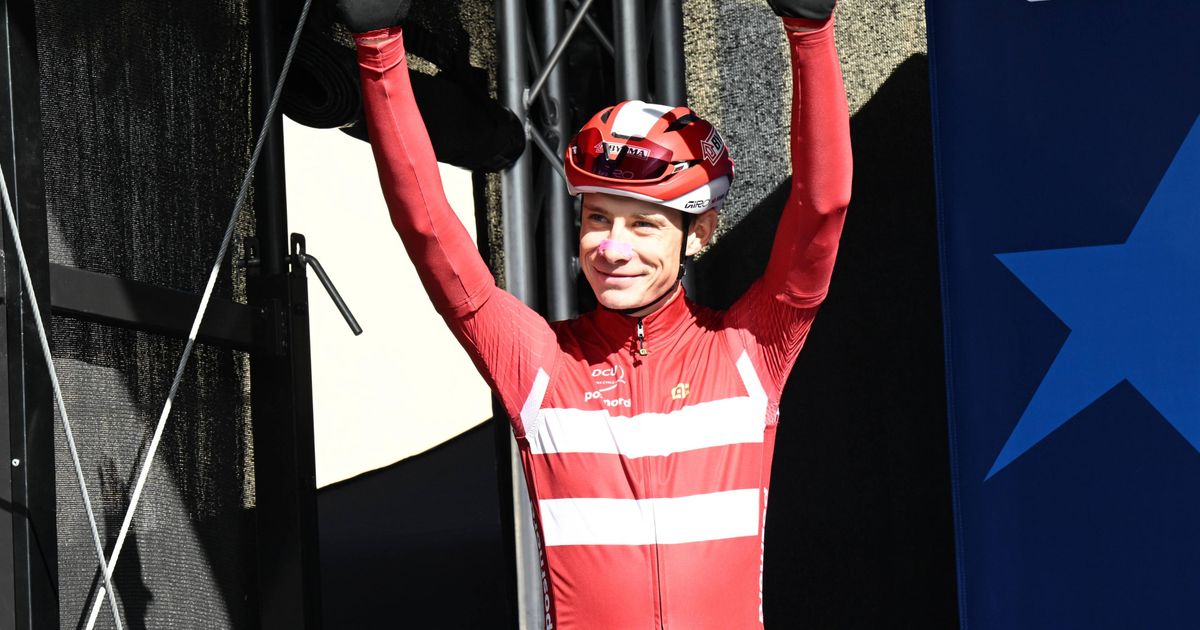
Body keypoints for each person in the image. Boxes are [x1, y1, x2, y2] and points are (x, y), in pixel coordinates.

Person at [339, 0, 849, 626]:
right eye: (598, 218)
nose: (612, 247)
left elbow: (821, 210)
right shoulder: (541, 363)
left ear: (698, 233)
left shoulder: (749, 349)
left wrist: (811, 32)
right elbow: (427, 229)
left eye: (643, 225)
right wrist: (379, 48)